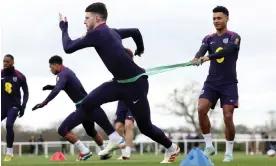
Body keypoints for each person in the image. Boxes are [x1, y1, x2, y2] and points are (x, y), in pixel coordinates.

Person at [58, 2, 180, 163]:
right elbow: (135, 32)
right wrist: (140, 49)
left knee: (145, 127)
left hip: (135, 85)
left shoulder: (97, 33)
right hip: (119, 84)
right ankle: (115, 138)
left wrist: (63, 28)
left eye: (87, 18)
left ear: (97, 18)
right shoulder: (112, 32)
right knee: (86, 104)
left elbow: (68, 47)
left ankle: (172, 148)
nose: (84, 21)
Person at [32, 55, 114, 161]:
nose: (50, 69)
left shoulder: (62, 74)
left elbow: (58, 89)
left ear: (56, 65)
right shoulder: (67, 72)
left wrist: (44, 102)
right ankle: (104, 152)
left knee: (62, 129)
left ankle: (85, 152)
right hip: (89, 104)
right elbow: (66, 85)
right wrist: (52, 87)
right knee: (91, 131)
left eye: (51, 67)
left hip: (83, 107)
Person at [191, 6, 241, 162]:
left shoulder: (234, 36)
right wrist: (197, 58)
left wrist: (209, 57)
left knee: (227, 116)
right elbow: (201, 51)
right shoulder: (208, 38)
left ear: (226, 18)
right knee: (201, 108)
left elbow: (228, 50)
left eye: (219, 18)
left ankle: (228, 152)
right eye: (214, 18)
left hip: (229, 84)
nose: (216, 21)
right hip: (211, 82)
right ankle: (209, 146)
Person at [1, 54, 29, 162]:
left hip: (14, 106)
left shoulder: (20, 76)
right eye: (3, 61)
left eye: (7, 61)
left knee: (9, 125)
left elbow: (26, 91)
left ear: (13, 62)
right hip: (2, 105)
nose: (5, 63)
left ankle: (9, 153)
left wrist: (24, 105)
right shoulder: (1, 73)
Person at [115, 49, 135, 160]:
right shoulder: (117, 69)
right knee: (118, 127)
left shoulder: (134, 68)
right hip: (122, 101)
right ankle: (123, 152)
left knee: (128, 125)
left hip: (133, 100)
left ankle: (127, 151)